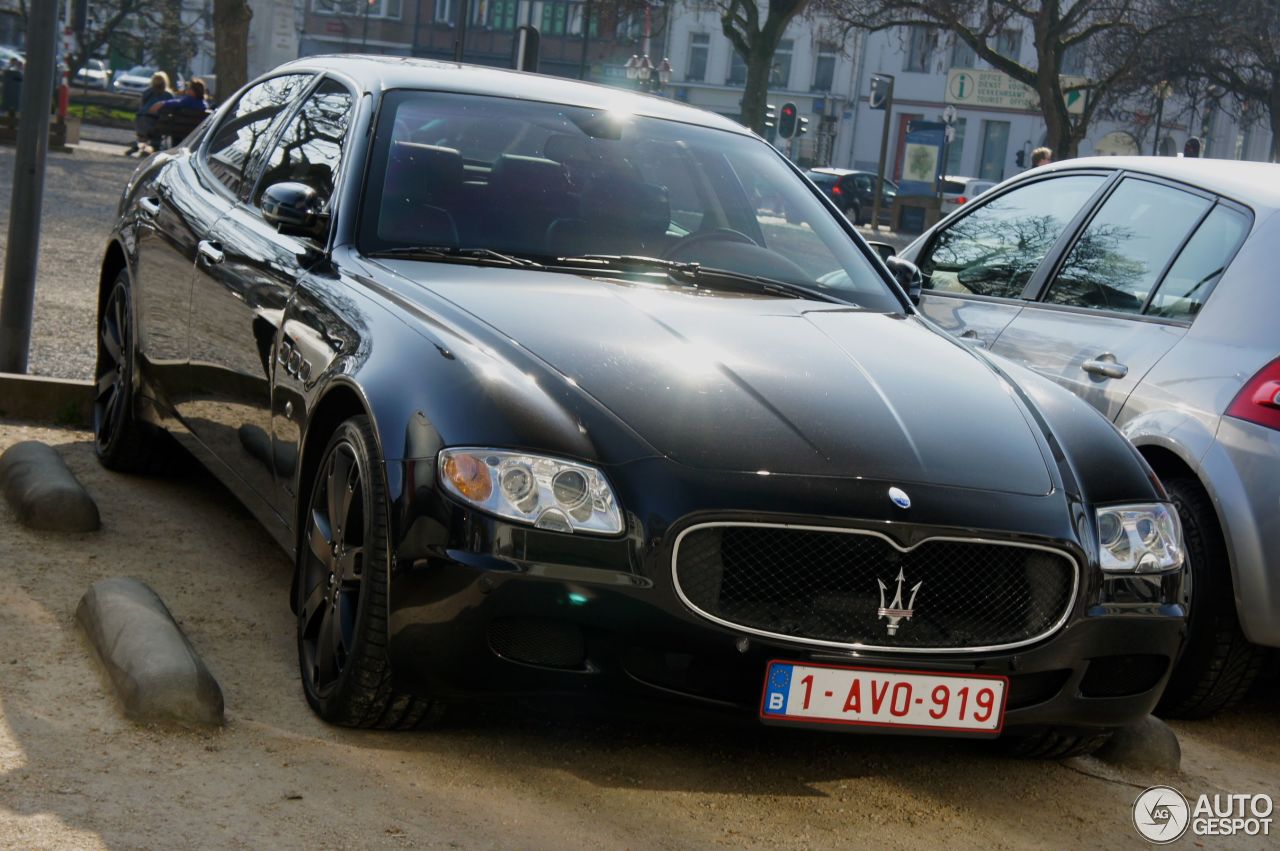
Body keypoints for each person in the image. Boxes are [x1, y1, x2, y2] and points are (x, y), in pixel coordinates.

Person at [128, 72, 172, 156]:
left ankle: (138, 145)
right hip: (158, 123)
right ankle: (153, 147)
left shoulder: (147, 92)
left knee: (145, 130)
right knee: (158, 126)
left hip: (141, 121)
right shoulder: (168, 95)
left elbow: (142, 107)